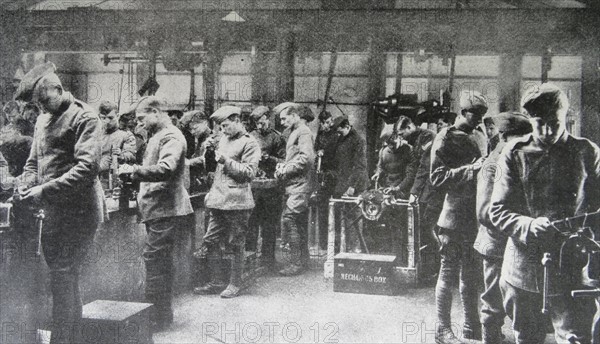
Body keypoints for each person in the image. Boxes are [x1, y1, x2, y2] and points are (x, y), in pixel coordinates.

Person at [489, 83, 599, 344]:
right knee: (527, 337)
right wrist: (528, 224)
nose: (548, 130)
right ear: (530, 120)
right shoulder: (514, 154)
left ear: (566, 118)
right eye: (540, 123)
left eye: (556, 122)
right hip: (523, 270)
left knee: (576, 338)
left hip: (573, 268)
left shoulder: (586, 152)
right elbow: (498, 210)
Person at [15, 62, 104, 344]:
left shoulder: (85, 117)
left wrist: (43, 190)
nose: (41, 109)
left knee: (63, 277)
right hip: (52, 211)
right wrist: (26, 182)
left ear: (58, 88)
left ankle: (62, 340)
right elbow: (33, 162)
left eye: (44, 101)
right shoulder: (43, 119)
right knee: (63, 279)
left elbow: (87, 168)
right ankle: (70, 339)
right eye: (37, 105)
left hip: (79, 212)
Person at [117, 96, 193, 331]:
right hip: (157, 209)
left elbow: (167, 168)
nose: (139, 124)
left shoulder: (171, 136)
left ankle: (155, 319)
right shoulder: (157, 136)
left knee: (155, 261)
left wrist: (135, 171)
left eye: (142, 119)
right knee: (160, 262)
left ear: (157, 112)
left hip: (165, 209)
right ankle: (161, 314)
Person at [430, 91, 488, 344]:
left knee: (471, 275)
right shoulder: (445, 138)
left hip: (474, 217)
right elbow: (437, 178)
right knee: (448, 273)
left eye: (482, 115)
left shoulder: (480, 135)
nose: (479, 120)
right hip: (453, 217)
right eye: (475, 114)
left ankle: (470, 327)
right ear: (463, 112)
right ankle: (442, 329)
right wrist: (471, 169)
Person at [473, 111, 532, 344]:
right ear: (507, 137)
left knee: (518, 305)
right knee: (493, 304)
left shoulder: (514, 157)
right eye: (524, 138)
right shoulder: (495, 164)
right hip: (497, 243)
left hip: (511, 242)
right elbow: (486, 211)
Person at [194, 105, 261, 298]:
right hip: (218, 200)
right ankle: (216, 282)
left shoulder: (250, 143)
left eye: (225, 125)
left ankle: (235, 284)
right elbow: (214, 169)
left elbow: (249, 173)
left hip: (237, 202)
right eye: (220, 127)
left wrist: (225, 160)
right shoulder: (223, 139)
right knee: (211, 239)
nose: (222, 130)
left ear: (236, 121)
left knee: (236, 243)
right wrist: (208, 153)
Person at [274, 102, 315, 276]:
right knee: (298, 222)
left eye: (284, 118)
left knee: (289, 219)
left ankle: (296, 263)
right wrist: (282, 166)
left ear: (294, 115)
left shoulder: (303, 131)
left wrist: (286, 168)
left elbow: (306, 158)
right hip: (294, 185)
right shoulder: (293, 132)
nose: (282, 122)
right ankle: (303, 261)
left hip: (300, 185)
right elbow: (294, 157)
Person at [247, 105, 285, 268]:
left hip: (271, 189)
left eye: (262, 123)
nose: (259, 126)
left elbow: (285, 161)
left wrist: (270, 159)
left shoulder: (277, 138)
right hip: (254, 188)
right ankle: (249, 260)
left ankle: (268, 261)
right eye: (256, 124)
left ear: (267, 120)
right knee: (251, 225)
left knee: (269, 225)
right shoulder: (250, 137)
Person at [331, 115, 369, 253]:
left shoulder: (358, 141)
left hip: (356, 185)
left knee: (355, 217)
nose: (338, 134)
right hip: (344, 183)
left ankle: (355, 249)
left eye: (340, 131)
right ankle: (344, 249)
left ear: (347, 126)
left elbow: (360, 166)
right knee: (344, 217)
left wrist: (352, 186)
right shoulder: (342, 138)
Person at [98, 100, 137, 190]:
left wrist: (122, 155)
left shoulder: (126, 135)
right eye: (103, 118)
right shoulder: (95, 135)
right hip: (97, 181)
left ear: (118, 116)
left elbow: (131, 156)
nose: (107, 121)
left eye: (110, 118)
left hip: (118, 182)